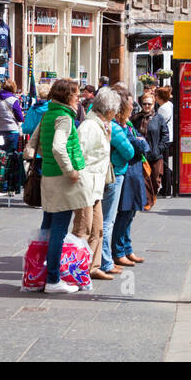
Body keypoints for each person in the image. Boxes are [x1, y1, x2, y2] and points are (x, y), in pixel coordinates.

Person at [23, 78, 88, 293]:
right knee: (58, 232)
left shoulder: (49, 113)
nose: (79, 99)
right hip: (61, 180)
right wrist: (70, 171)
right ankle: (53, 279)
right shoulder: (64, 118)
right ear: (67, 96)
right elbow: (60, 147)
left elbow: (32, 141)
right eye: (76, 95)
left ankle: (38, 275)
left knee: (47, 228)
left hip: (47, 177)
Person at [75, 87, 117, 286]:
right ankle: (76, 269)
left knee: (97, 228)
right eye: (114, 111)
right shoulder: (89, 127)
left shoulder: (100, 125)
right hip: (86, 185)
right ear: (108, 110)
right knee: (83, 229)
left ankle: (92, 267)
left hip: (96, 187)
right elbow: (79, 154)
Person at [110, 86, 150, 268]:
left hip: (134, 171)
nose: (134, 106)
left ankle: (127, 248)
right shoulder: (118, 126)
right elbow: (134, 147)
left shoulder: (129, 124)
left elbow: (144, 144)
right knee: (123, 213)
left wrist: (140, 142)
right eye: (130, 104)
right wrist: (139, 143)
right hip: (125, 171)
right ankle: (118, 251)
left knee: (131, 212)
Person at [140, 92, 170, 203]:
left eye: (149, 104)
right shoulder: (136, 118)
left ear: (153, 104)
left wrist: (158, 149)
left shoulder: (159, 118)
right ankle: (146, 201)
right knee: (144, 180)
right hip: (142, 156)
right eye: (144, 104)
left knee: (155, 181)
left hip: (155, 155)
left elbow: (165, 136)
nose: (147, 106)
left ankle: (151, 198)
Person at [0, 80, 24, 151]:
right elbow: (20, 118)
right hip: (11, 131)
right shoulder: (13, 100)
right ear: (13, 88)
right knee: (10, 156)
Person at [156, 86, 175, 197]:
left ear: (160, 97)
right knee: (164, 163)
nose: (155, 97)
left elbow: (159, 124)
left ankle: (167, 189)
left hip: (165, 139)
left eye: (156, 95)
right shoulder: (169, 105)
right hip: (169, 137)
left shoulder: (163, 109)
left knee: (164, 164)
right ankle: (166, 188)